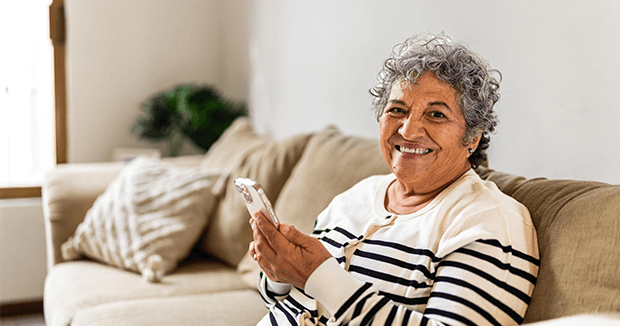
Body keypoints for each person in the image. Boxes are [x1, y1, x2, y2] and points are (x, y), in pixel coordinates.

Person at [249, 33, 539, 326]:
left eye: (436, 114)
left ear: (472, 138)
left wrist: (319, 276)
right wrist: (279, 273)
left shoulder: (487, 221)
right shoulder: (356, 197)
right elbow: (286, 301)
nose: (409, 131)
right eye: (397, 110)